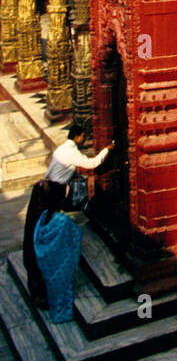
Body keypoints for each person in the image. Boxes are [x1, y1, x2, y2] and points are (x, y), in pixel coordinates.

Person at [22, 126, 112, 309]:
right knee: (39, 240)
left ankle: (40, 289)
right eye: (83, 137)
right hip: (48, 196)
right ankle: (42, 291)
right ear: (78, 137)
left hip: (45, 192)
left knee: (36, 235)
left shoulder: (62, 149)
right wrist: (107, 150)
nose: (83, 139)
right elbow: (92, 163)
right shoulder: (71, 152)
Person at [33, 193, 82, 322]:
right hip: (61, 261)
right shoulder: (62, 220)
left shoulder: (43, 217)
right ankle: (62, 315)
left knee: (53, 289)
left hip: (48, 262)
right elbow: (76, 234)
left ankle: (56, 311)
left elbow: (37, 239)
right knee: (63, 289)